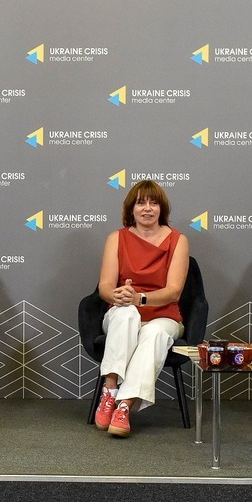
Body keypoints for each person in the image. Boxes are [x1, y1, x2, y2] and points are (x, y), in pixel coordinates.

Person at [92, 180, 189, 439]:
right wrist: (117, 295)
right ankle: (110, 390)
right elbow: (104, 287)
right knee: (126, 314)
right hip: (122, 311)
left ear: (161, 208)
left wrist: (140, 298)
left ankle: (125, 405)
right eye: (141, 203)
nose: (147, 208)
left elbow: (174, 291)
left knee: (154, 334)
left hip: (164, 315)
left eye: (153, 203)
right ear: (131, 209)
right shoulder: (117, 238)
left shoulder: (178, 240)